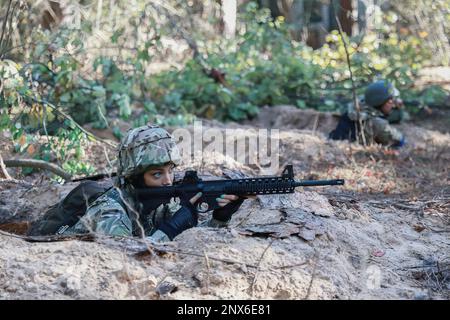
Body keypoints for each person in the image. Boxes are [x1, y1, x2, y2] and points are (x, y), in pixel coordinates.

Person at [63, 124, 245, 242]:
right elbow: (126, 258)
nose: (168, 181)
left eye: (171, 171)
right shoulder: (111, 211)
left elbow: (188, 242)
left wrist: (220, 218)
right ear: (135, 177)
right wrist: (173, 226)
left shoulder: (159, 205)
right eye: (157, 174)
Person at [329, 80, 409, 148]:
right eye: (390, 101)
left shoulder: (357, 105)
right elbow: (399, 141)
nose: (393, 104)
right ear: (380, 102)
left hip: (335, 142)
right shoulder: (378, 123)